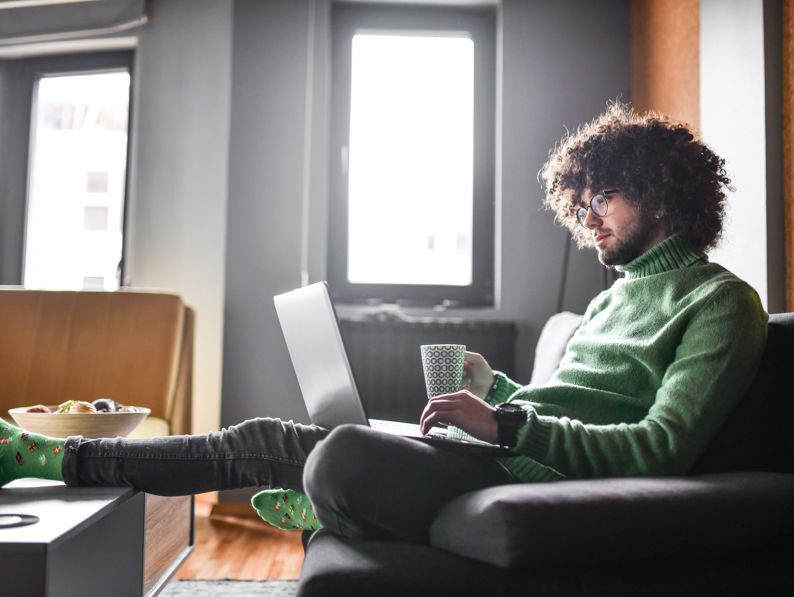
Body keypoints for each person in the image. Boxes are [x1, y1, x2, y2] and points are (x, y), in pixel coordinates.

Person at [0, 102, 768, 545]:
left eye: (607, 195)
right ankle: (53, 457)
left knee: (328, 458)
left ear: (663, 194)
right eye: (585, 197)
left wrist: (504, 426)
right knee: (263, 438)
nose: (589, 214)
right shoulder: (610, 298)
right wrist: (494, 387)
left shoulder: (721, 303)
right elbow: (568, 401)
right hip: (496, 454)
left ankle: (330, 498)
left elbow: (661, 446)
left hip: (521, 472)